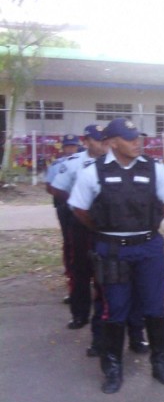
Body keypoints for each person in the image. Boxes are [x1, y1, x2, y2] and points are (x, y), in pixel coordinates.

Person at [68, 118, 164, 393]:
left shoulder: (155, 168)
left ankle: (160, 363)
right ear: (112, 142)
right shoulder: (92, 172)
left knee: (155, 307)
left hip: (149, 247)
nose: (137, 143)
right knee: (114, 310)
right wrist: (106, 231)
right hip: (112, 250)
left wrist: (145, 227)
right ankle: (113, 367)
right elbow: (78, 208)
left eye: (138, 138)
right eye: (130, 139)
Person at [50, 126, 109, 331]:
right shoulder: (74, 163)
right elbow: (57, 188)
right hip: (81, 224)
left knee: (108, 269)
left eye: (104, 139)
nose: (101, 144)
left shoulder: (115, 161)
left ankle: (106, 313)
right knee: (80, 269)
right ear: (86, 141)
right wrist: (78, 203)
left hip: (107, 224)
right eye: (96, 139)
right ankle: (80, 314)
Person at [46, 134, 81, 305]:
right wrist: (70, 199)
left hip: (85, 208)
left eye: (73, 146)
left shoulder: (85, 162)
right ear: (63, 148)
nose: (71, 149)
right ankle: (72, 285)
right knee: (69, 244)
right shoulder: (56, 165)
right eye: (68, 146)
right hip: (65, 208)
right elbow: (50, 187)